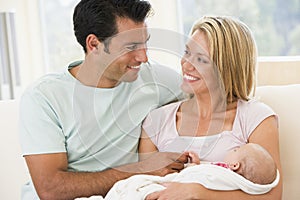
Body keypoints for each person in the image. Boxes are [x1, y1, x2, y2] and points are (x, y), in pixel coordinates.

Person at [19, 0, 189, 199]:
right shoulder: (44, 97)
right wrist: (141, 169)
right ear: (94, 44)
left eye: (145, 43)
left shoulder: (154, 79)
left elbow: (211, 97)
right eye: (131, 46)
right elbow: (51, 189)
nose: (143, 57)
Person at [139, 16, 282, 199]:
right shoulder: (156, 122)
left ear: (226, 67)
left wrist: (199, 193)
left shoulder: (256, 118)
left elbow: (273, 195)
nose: (186, 64)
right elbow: (143, 185)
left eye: (201, 59)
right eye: (187, 52)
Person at [103, 143, 279, 200]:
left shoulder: (225, 176)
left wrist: (198, 191)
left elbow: (203, 181)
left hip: (175, 188)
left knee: (148, 190)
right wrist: (195, 166)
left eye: (236, 149)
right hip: (174, 183)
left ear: (235, 166)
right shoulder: (220, 170)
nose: (233, 148)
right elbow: (203, 173)